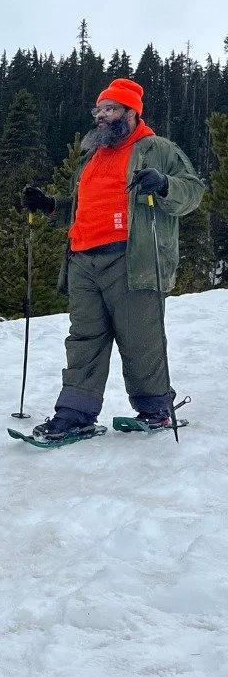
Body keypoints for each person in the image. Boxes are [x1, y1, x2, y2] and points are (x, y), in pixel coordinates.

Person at [21, 78, 204, 441]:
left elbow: (193, 192)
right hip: (83, 259)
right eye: (99, 109)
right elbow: (86, 206)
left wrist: (164, 183)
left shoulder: (157, 149)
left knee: (140, 338)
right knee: (83, 338)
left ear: (131, 112)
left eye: (111, 109)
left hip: (132, 259)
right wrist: (51, 205)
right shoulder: (93, 155)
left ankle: (156, 408)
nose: (102, 115)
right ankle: (76, 413)